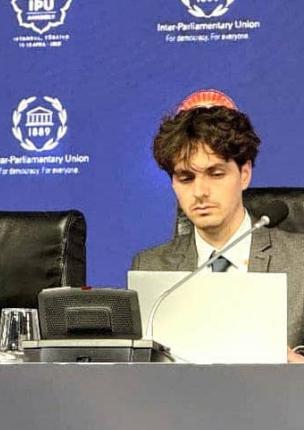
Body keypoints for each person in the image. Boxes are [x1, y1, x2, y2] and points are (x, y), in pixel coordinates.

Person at [130, 101, 304, 361]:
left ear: (244, 174)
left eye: (215, 174)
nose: (200, 192)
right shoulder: (150, 265)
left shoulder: (300, 259)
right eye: (186, 178)